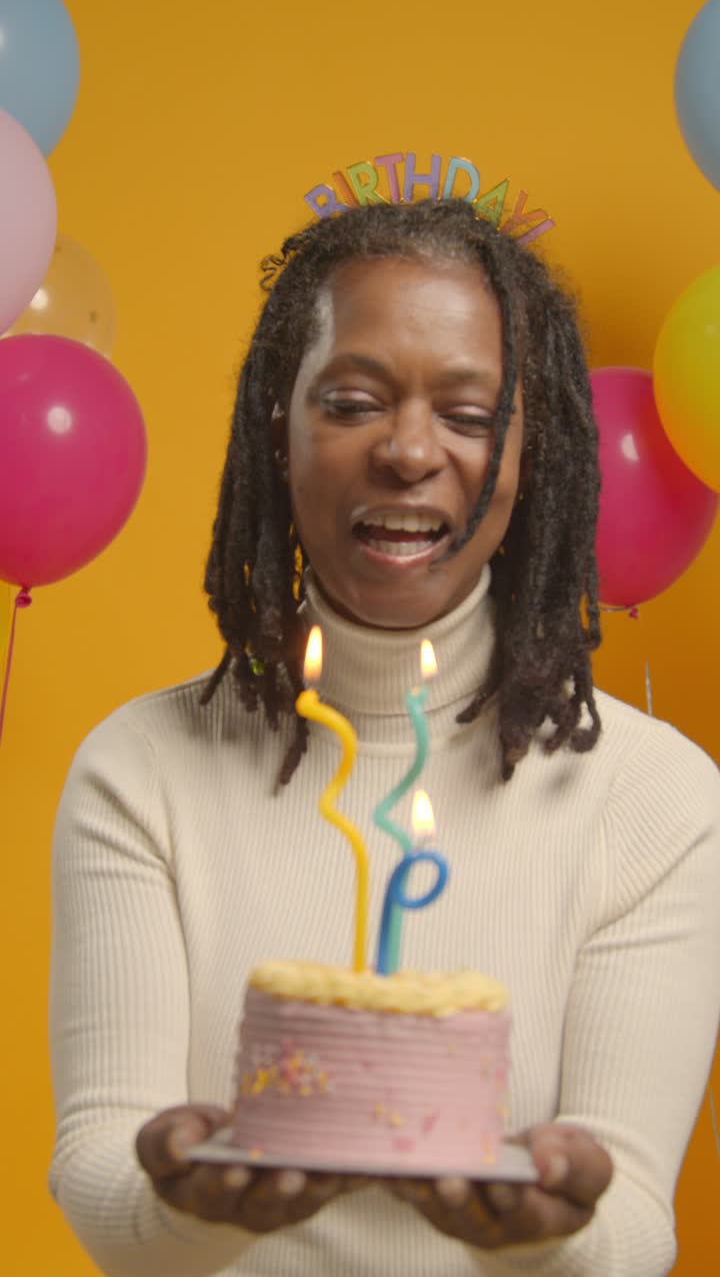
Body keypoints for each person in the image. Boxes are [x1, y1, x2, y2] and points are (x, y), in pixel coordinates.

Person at [49, 199, 720, 1277]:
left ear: (528, 449)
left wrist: (556, 1232)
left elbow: (636, 1224)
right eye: (354, 401)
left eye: (468, 413)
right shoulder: (139, 770)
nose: (410, 451)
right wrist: (189, 1200)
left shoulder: (658, 801)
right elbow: (98, 1169)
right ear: (280, 419)